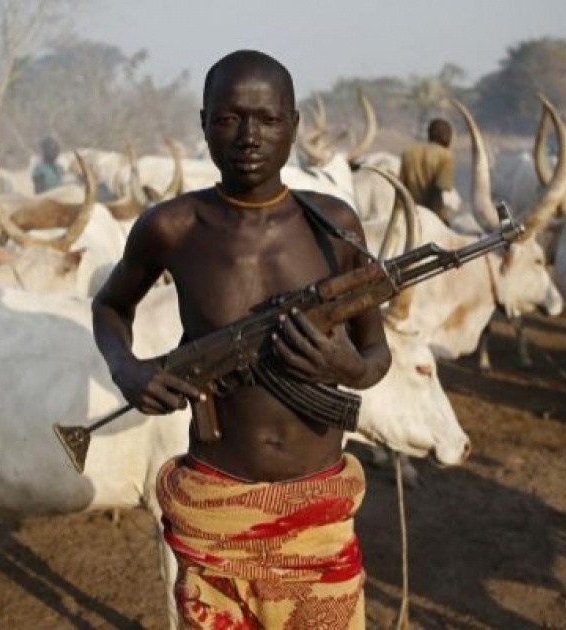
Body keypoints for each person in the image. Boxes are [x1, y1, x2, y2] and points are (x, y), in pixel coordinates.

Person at [91, 49, 391, 628]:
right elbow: (110, 306)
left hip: (318, 517)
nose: (249, 137)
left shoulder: (335, 226)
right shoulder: (171, 227)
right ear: (203, 123)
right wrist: (126, 369)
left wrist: (348, 369)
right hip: (215, 510)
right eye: (229, 119)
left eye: (268, 119)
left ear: (294, 126)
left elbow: (377, 353)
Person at [398, 117, 459, 223]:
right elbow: (439, 189)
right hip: (432, 214)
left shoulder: (409, 153)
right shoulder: (446, 156)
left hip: (409, 213)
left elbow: (401, 187)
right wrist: (438, 219)